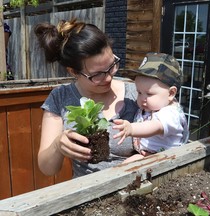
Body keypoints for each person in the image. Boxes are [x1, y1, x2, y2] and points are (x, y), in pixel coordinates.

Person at [34, 18, 138, 178]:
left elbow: (170, 139)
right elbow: (47, 169)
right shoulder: (60, 97)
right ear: (73, 72)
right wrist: (58, 145)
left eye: (112, 66)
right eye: (97, 75)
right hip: (87, 195)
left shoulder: (137, 94)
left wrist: (145, 159)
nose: (109, 78)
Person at [113, 52, 189, 163]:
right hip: (148, 155)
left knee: (126, 167)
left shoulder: (170, 113)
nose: (142, 98)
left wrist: (131, 128)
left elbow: (155, 126)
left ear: (171, 93)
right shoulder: (151, 107)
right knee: (123, 166)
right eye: (139, 92)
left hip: (167, 160)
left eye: (149, 94)